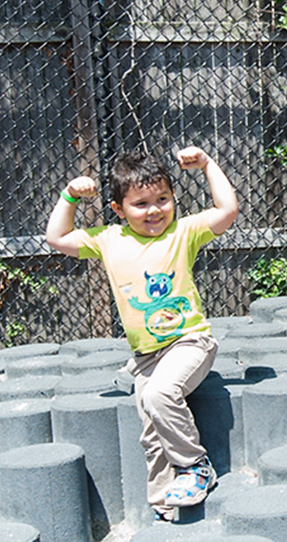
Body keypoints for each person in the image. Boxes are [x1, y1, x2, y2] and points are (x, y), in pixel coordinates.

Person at [46, 147, 238, 522]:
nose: (154, 210)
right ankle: (164, 506)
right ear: (118, 210)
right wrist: (69, 194)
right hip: (146, 355)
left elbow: (227, 210)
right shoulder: (108, 239)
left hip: (189, 342)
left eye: (163, 199)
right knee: (151, 434)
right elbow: (57, 238)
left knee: (160, 393)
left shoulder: (183, 232)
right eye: (141, 203)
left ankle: (196, 466)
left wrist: (208, 165)